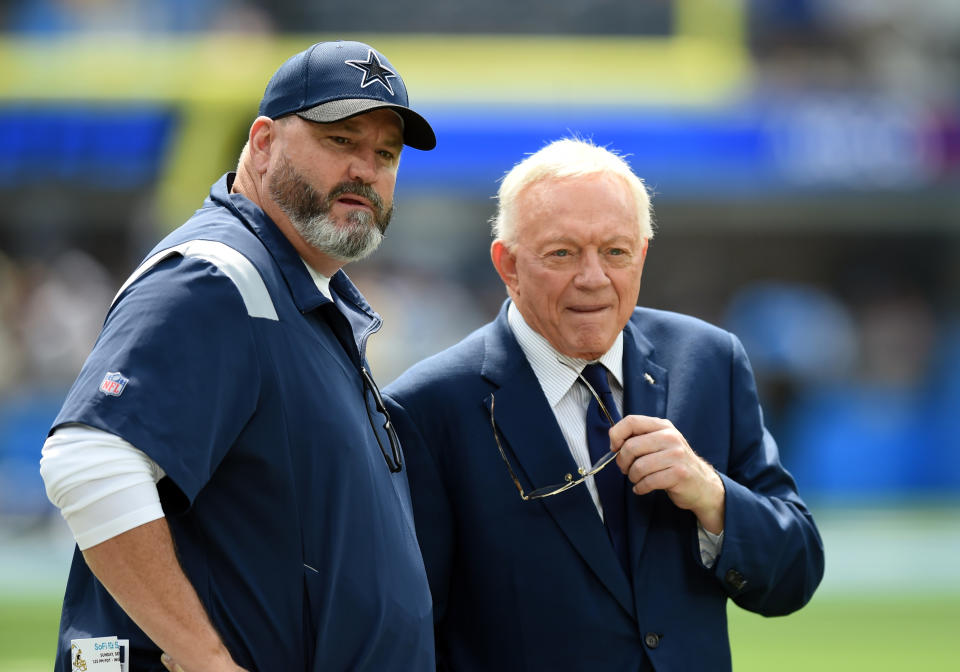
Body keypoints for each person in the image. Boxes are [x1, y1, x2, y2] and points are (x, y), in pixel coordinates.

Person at [40, 40, 437, 672]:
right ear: (263, 142)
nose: (366, 168)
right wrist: (205, 658)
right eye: (342, 140)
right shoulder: (217, 275)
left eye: (385, 153)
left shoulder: (296, 291)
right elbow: (87, 461)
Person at [383, 138, 825, 671]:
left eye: (614, 252)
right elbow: (408, 634)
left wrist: (712, 496)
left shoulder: (709, 360)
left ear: (640, 256)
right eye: (562, 253)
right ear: (509, 264)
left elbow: (795, 573)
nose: (593, 278)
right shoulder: (425, 407)